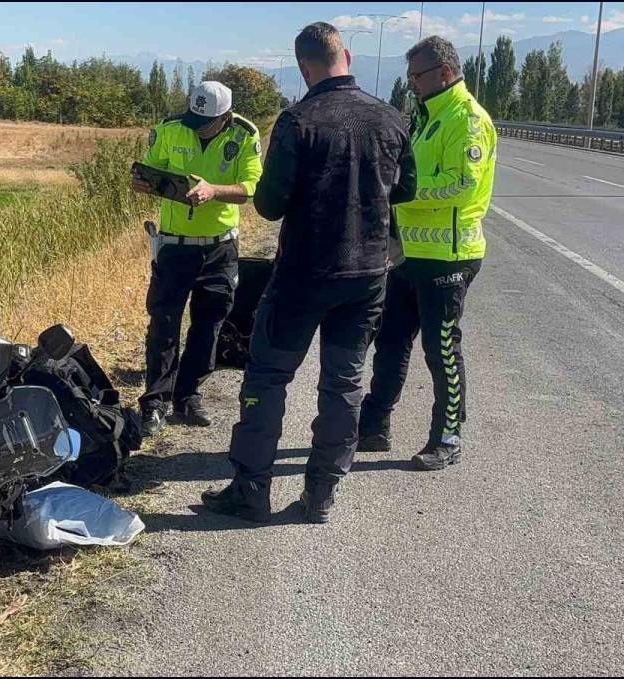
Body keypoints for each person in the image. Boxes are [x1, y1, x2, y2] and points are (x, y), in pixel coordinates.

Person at [201, 22, 416, 524]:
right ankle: (321, 495)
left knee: (269, 376)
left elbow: (271, 205)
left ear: (304, 68)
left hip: (303, 273)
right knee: (344, 382)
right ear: (348, 55)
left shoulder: (298, 121)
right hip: (367, 275)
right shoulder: (392, 119)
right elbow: (404, 191)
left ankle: (251, 489)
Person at [358, 35, 497, 471]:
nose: (412, 83)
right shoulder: (423, 116)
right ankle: (374, 427)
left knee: (441, 350)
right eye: (410, 76)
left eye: (417, 75)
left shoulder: (468, 120)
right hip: (408, 253)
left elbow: (462, 186)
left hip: (449, 257)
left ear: (445, 72)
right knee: (392, 341)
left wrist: (402, 192)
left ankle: (447, 437)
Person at [131, 81, 264, 437]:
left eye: (205, 122)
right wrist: (142, 182)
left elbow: (252, 187)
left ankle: (188, 395)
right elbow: (150, 169)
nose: (197, 127)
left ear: (225, 117)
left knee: (209, 324)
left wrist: (214, 190)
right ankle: (155, 402)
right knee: (164, 323)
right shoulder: (171, 129)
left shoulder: (245, 136)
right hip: (175, 245)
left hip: (220, 247)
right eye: (194, 119)